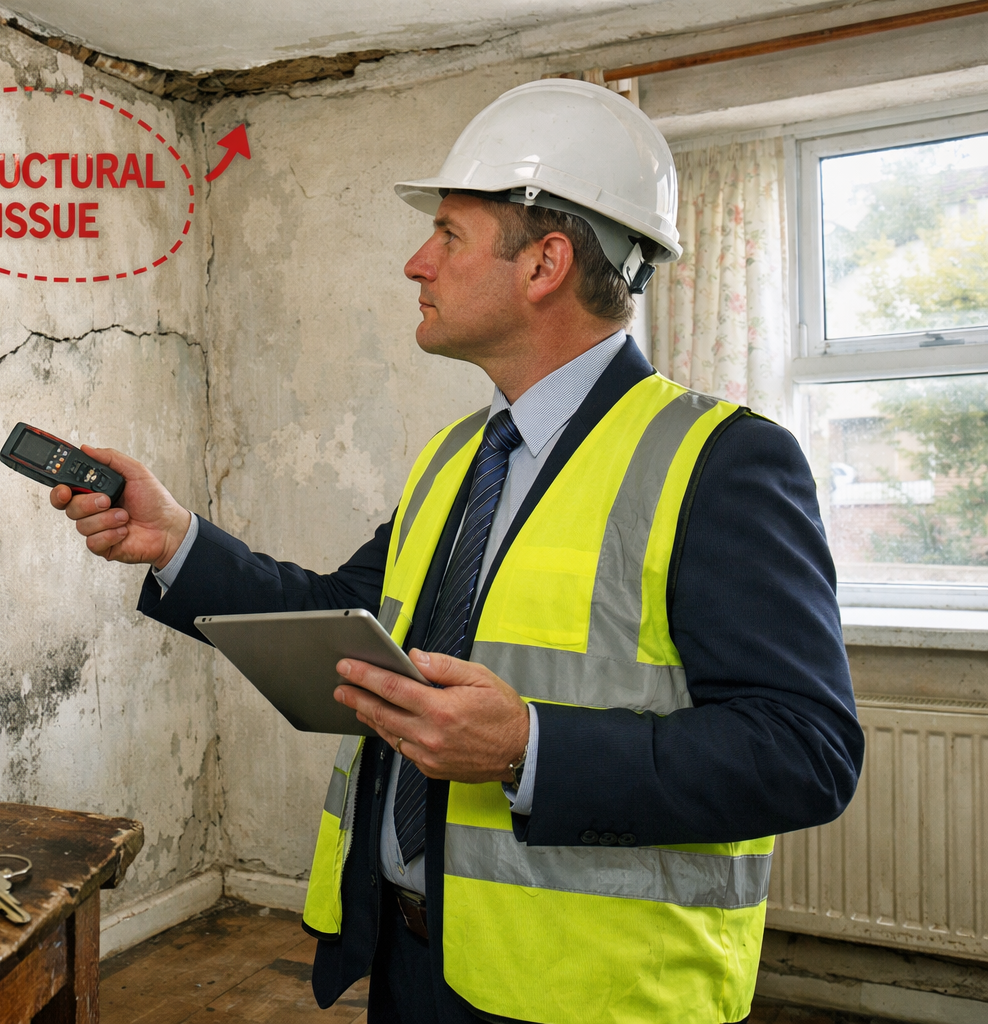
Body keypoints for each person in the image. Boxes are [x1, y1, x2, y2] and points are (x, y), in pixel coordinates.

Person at [48, 80, 862, 1024]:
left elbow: (806, 751)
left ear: (545, 262)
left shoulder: (722, 461)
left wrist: (531, 748)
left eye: (448, 235)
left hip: (589, 995)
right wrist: (177, 540)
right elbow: (345, 623)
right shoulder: (460, 458)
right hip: (410, 958)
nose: (414, 263)